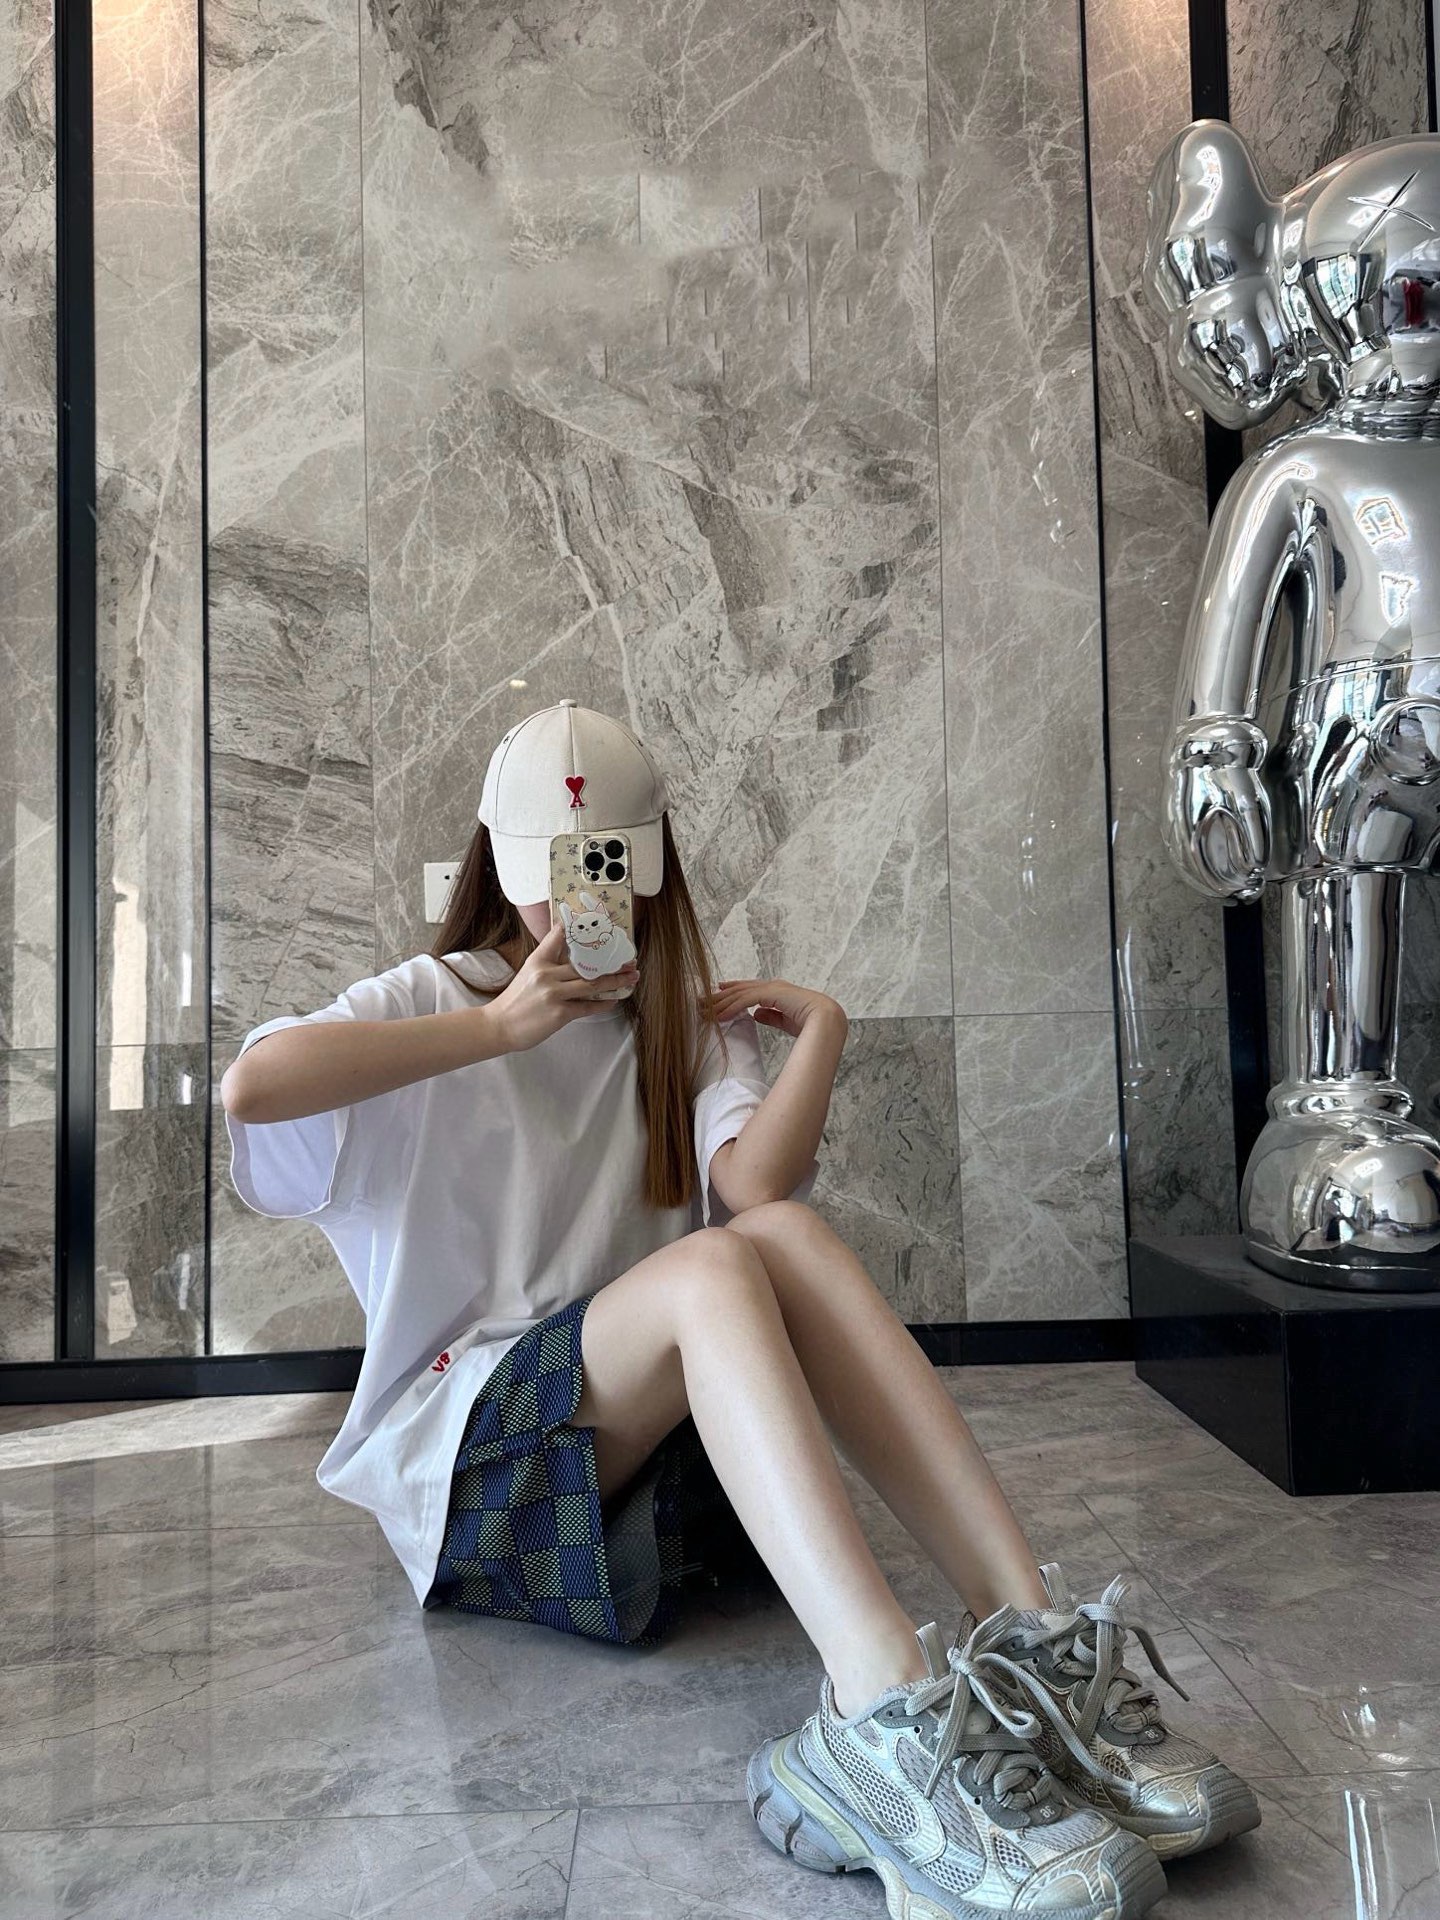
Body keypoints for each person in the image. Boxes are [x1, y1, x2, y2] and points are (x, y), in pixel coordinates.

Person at [221, 699, 1259, 1920]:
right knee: (716, 1269)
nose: (578, 903)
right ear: (500, 865)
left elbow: (759, 1195)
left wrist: (822, 1029)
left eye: (605, 867)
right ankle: (878, 1712)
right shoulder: (430, 1000)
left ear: (652, 866)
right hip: (480, 1482)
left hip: (643, 1467)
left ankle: (1032, 1644)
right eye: (554, 872)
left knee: (767, 1239)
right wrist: (496, 1028)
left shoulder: (677, 1022)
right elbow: (254, 1088)